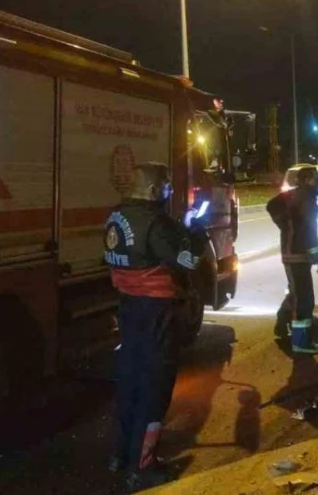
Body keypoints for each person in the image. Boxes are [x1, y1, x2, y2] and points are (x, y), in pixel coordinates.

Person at [103, 162, 188, 490]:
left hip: (128, 309)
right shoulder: (157, 222)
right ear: (155, 190)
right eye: (167, 186)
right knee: (155, 388)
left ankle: (120, 456)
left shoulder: (116, 216)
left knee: (130, 385)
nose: (169, 191)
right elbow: (186, 262)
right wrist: (193, 236)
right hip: (156, 313)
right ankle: (143, 466)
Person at [267, 166, 318, 354]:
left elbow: (271, 205)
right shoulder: (306, 200)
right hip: (298, 255)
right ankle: (300, 342)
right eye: (316, 177)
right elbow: (309, 230)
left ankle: (282, 322)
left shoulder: (295, 196)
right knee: (304, 299)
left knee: (297, 292)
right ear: (308, 179)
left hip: (293, 254)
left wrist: (286, 226)